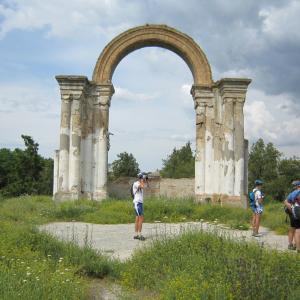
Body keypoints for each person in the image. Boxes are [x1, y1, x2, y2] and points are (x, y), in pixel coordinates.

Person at [284, 181, 300, 250]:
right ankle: (297, 247)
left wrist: (291, 209)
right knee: (298, 230)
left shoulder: (292, 193)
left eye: (294, 186)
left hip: (293, 213)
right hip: (297, 213)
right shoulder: (295, 192)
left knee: (293, 228)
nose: (293, 187)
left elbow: (285, 201)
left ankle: (291, 244)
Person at [132, 172, 148, 241]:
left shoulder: (141, 183)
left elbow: (146, 186)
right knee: (141, 218)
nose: (144, 179)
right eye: (143, 177)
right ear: (140, 177)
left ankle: (136, 234)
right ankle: (139, 235)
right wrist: (142, 180)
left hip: (139, 203)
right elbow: (142, 186)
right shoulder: (136, 183)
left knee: (137, 218)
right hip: (137, 203)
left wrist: (145, 180)